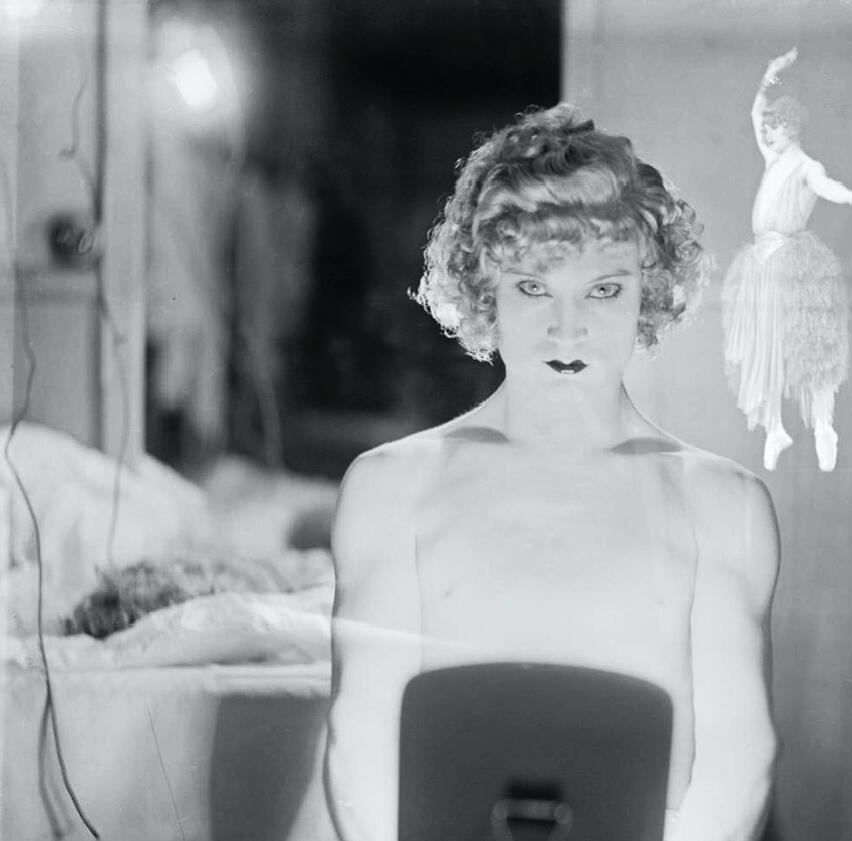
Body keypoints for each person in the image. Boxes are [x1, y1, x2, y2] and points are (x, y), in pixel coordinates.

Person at [323, 104, 780, 841]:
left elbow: (737, 759)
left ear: (649, 293)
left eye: (604, 290)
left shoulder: (723, 504)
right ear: (485, 292)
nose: (568, 330)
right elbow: (363, 743)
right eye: (534, 288)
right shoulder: (392, 488)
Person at [722, 48, 852, 472]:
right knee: (764, 344)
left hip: (792, 260)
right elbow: (756, 111)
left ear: (791, 129)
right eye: (767, 130)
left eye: (775, 129)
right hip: (761, 262)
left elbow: (826, 186)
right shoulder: (773, 158)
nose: (767, 135)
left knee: (809, 344)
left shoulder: (806, 166)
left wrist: (849, 195)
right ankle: (774, 429)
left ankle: (823, 425)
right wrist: (771, 74)